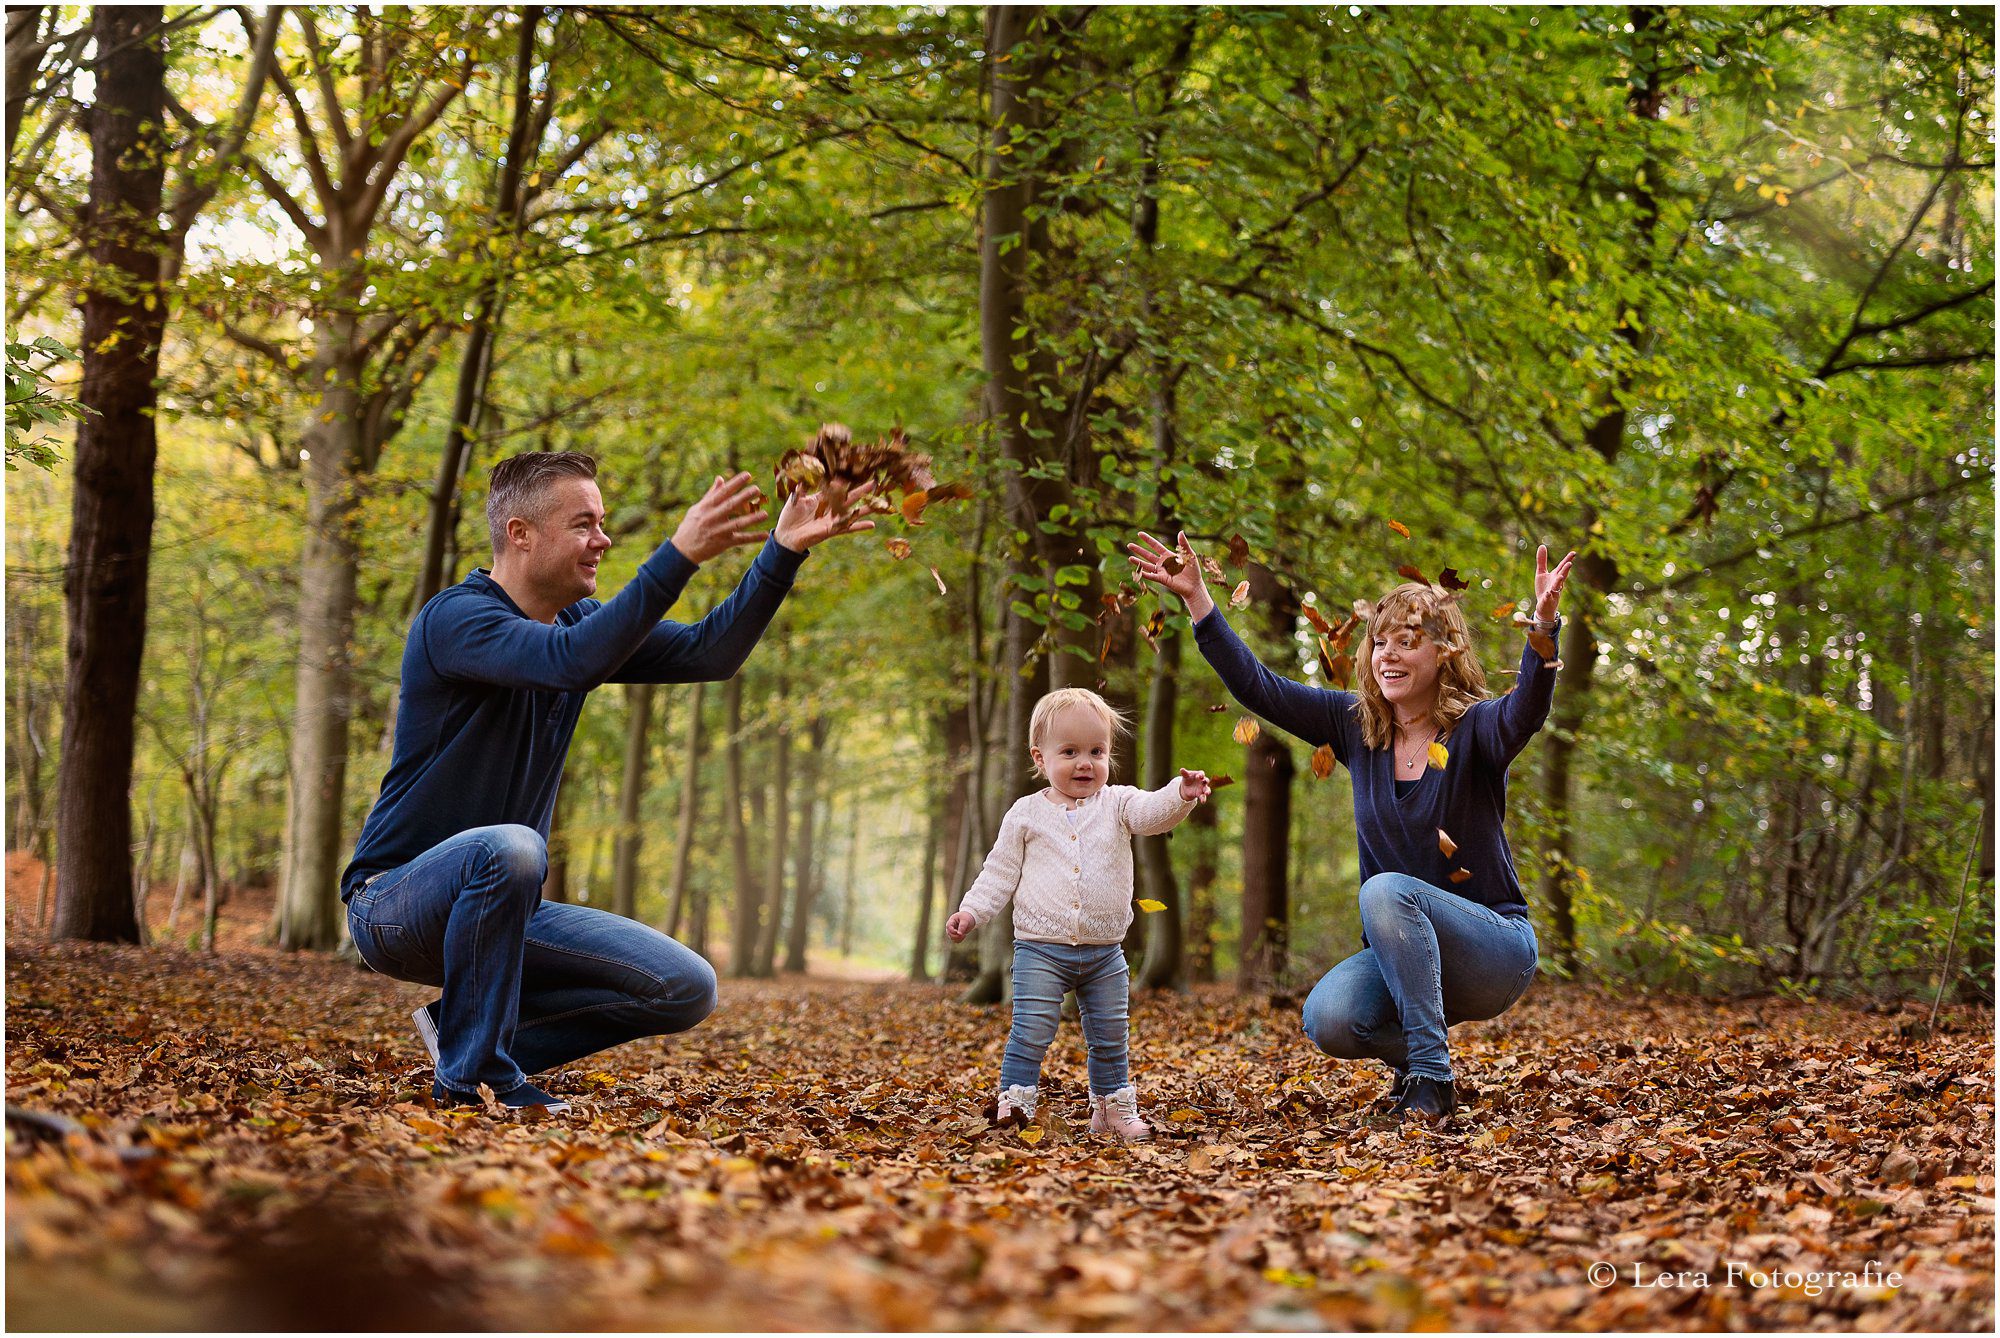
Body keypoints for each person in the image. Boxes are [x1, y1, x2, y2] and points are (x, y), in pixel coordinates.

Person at [343, 451, 873, 1112]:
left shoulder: (574, 629)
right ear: (520, 534)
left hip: (505, 908)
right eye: (584, 524)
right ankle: (474, 1082)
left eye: (603, 522)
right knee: (511, 848)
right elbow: (570, 663)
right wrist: (679, 553)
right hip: (394, 902)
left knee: (684, 984)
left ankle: (463, 1039)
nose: (605, 539)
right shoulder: (455, 621)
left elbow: (711, 651)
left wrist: (783, 549)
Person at [1129, 531, 1575, 1122]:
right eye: (1379, 642)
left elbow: (1529, 708)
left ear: (1443, 652)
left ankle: (1432, 1081)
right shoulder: (1355, 728)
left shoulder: (1477, 730)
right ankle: (1424, 1061)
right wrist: (1197, 601)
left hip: (1492, 948)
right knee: (1331, 1018)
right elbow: (1258, 687)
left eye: (1406, 643)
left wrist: (1542, 629)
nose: (1386, 654)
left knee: (1385, 889)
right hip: (1402, 954)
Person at [945, 687, 1213, 1140]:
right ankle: (1015, 1102)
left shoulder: (1119, 803)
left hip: (1106, 953)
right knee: (1032, 1028)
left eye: (1097, 751)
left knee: (1110, 1035)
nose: (1085, 763)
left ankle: (1110, 1109)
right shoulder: (1025, 814)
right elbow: (999, 873)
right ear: (1040, 757)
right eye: (1069, 752)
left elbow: (1153, 814)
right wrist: (971, 912)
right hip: (1040, 950)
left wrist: (1179, 794)